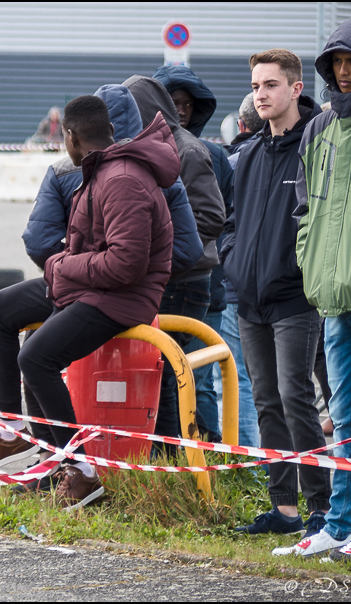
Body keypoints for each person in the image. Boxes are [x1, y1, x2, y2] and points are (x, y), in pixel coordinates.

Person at [0, 86, 200, 494]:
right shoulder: (102, 169)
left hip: (120, 298)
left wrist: (64, 265)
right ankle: (10, 428)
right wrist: (67, 268)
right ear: (110, 130)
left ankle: (81, 471)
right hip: (87, 285)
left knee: (37, 357)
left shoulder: (121, 179)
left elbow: (125, 265)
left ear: (69, 137)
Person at [275, 17, 351, 568]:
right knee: (342, 412)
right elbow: (305, 207)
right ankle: (340, 527)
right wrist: (311, 258)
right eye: (335, 62)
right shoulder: (321, 128)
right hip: (331, 294)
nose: (344, 72)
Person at [219, 49, 329, 539]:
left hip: (295, 298)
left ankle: (323, 510)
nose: (260, 94)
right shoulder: (250, 153)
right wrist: (234, 261)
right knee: (266, 401)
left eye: (270, 85)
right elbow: (231, 222)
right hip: (250, 299)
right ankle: (285, 511)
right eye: (256, 86)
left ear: (295, 89)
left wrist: (300, 271)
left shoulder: (316, 146)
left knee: (295, 398)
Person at [123, 75, 226, 448]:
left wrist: (161, 248)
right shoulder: (149, 147)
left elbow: (213, 216)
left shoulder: (186, 149)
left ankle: (171, 459)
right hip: (165, 279)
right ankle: (164, 455)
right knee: (159, 371)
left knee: (171, 373)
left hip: (185, 282)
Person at [153, 65, 235, 443]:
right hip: (178, 283)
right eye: (173, 102)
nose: (181, 110)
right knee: (174, 375)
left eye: (188, 104)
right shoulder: (152, 152)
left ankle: (208, 452)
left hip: (203, 285)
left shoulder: (213, 155)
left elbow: (226, 218)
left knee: (198, 380)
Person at [221, 92, 264, 448]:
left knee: (237, 379)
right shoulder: (298, 157)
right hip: (284, 288)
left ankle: (246, 463)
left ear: (241, 126)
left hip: (235, 288)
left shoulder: (231, 163)